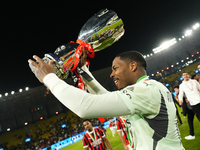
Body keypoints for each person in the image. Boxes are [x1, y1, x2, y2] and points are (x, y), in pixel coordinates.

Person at [28, 49, 185, 150]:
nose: (111, 74)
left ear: (132, 66)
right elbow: (103, 97)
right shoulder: (152, 87)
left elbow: (85, 107)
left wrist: (49, 78)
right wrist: (81, 70)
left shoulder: (145, 91)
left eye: (115, 68)